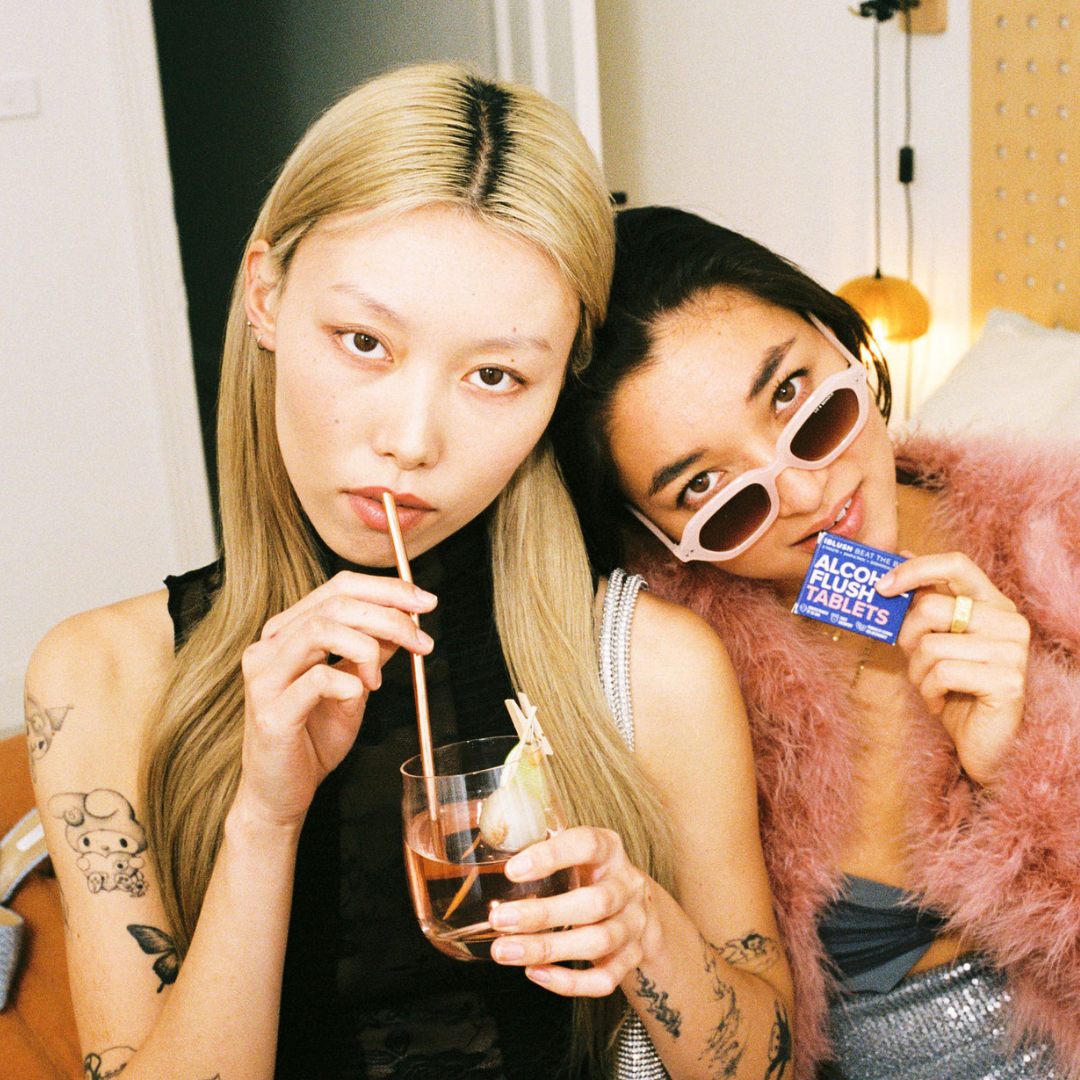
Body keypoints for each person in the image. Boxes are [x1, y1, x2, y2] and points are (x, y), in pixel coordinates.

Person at [26, 71, 794, 1080]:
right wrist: (264, 818)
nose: (413, 439)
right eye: (365, 343)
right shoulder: (100, 678)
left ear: (559, 381)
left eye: (495, 376)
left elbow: (771, 1063)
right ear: (265, 295)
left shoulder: (653, 667)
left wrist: (646, 929)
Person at [552, 205, 1080, 1080]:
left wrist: (1024, 767)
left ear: (840, 338)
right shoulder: (675, 670)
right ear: (655, 532)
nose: (802, 493)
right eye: (707, 487)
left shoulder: (1059, 541)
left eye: (794, 397)